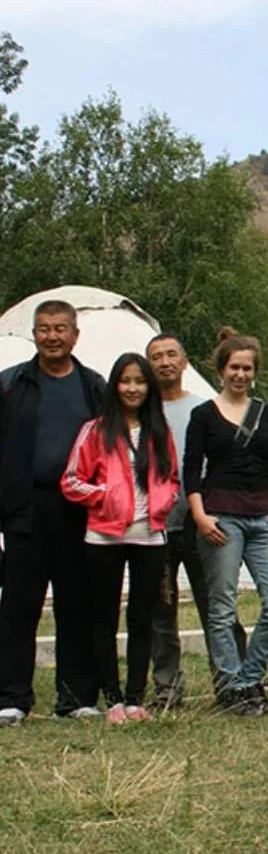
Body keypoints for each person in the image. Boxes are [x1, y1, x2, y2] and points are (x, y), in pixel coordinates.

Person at [0, 299, 105, 725]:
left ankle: (76, 697)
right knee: (18, 606)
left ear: (75, 335)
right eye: (44, 328)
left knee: (77, 603)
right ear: (34, 334)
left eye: (61, 328)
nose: (52, 336)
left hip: (79, 510)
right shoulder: (10, 385)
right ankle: (11, 697)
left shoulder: (93, 387)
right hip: (24, 508)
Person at [61, 354, 179, 723]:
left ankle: (134, 698)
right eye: (125, 381)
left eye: (140, 382)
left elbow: (172, 477)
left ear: (149, 388)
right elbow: (71, 480)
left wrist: (163, 502)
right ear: (115, 385)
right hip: (103, 536)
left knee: (142, 618)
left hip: (149, 536)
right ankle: (111, 698)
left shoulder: (159, 431)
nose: (132, 388)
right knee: (104, 618)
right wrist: (106, 496)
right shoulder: (95, 430)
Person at [185, 329, 268, 716]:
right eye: (234, 367)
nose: (240, 374)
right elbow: (191, 468)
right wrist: (199, 515)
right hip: (220, 517)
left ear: (254, 371)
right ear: (221, 370)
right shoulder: (203, 414)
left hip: (263, 517)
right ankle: (232, 688)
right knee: (222, 608)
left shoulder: (264, 411)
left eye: (247, 368)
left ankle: (249, 678)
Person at [145, 332, 247, 708]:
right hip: (155, 525)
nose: (165, 362)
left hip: (205, 522)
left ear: (185, 362)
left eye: (172, 354)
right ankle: (168, 690)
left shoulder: (206, 407)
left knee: (218, 606)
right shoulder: (141, 409)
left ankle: (234, 683)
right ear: (149, 364)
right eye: (157, 356)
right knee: (160, 612)